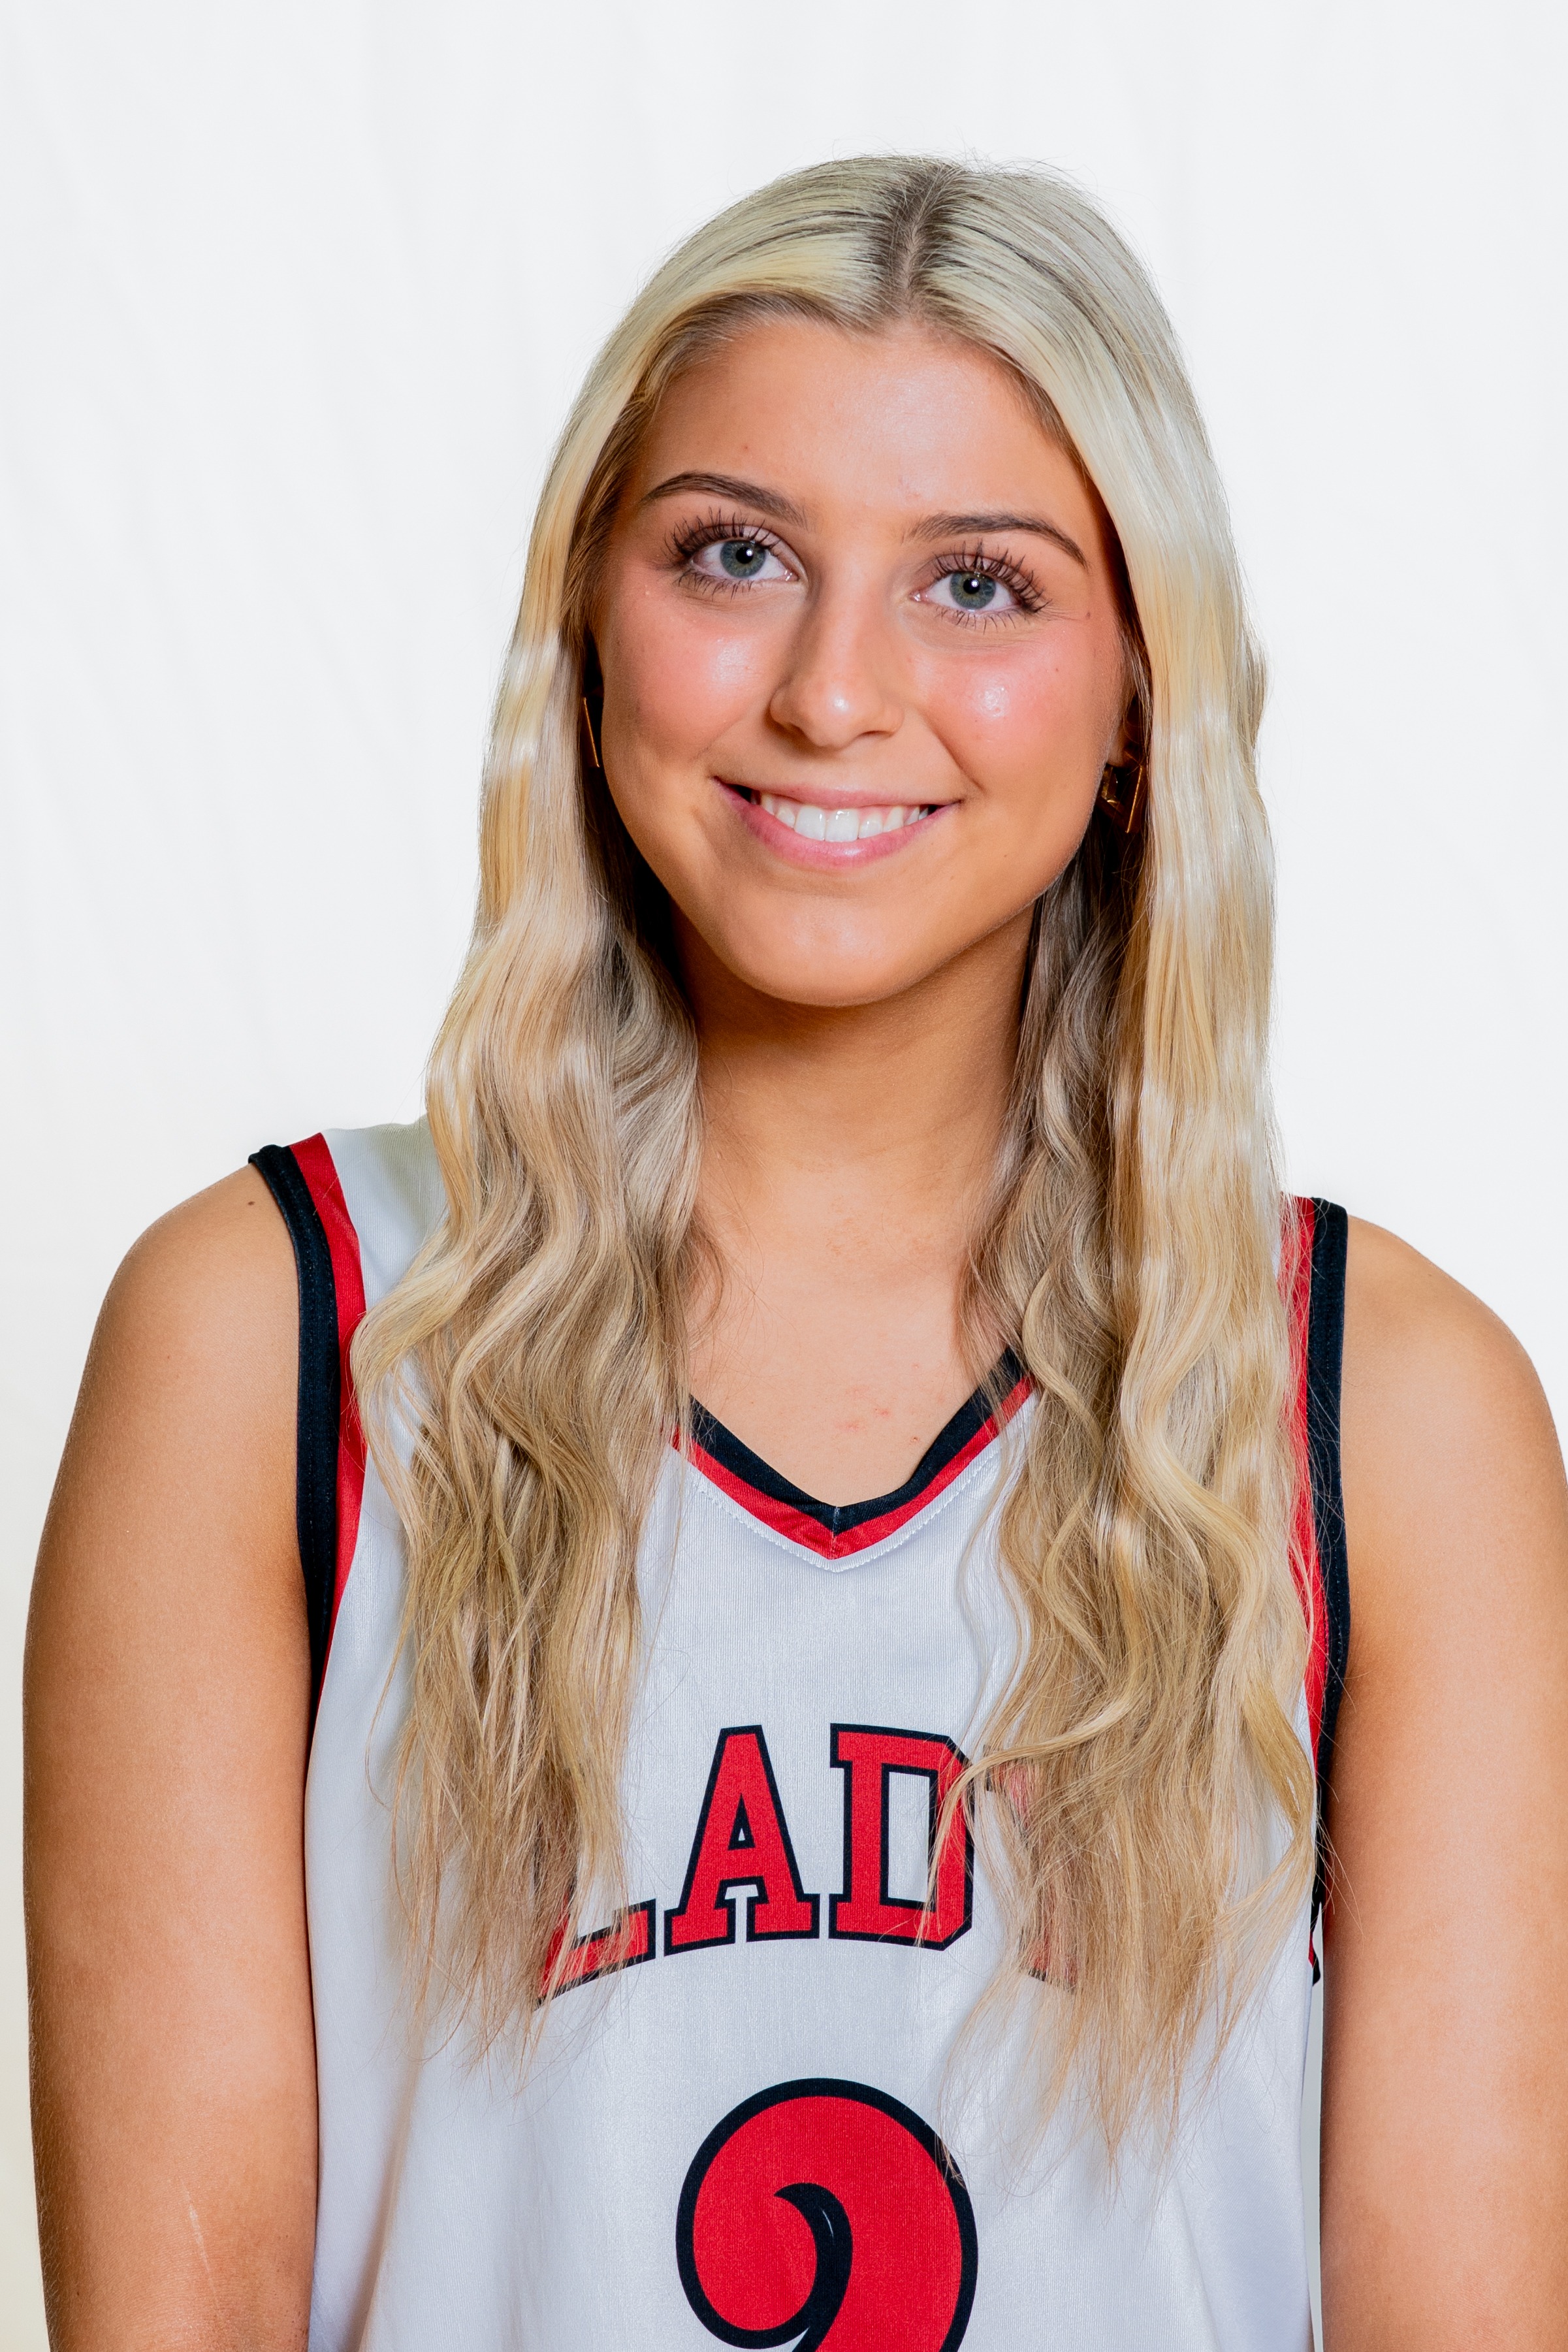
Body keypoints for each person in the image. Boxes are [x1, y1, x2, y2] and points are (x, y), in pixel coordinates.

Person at [23, 155, 1568, 2351]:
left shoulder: (1380, 1409)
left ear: (1140, 695)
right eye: (732, 555)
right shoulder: (272, 1330)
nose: (835, 693)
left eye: (978, 584)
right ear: (588, 626)